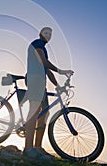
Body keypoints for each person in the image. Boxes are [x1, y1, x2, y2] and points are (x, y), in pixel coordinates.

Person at [23, 27, 74, 158]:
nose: (48, 35)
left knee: (44, 113)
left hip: (41, 81)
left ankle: (38, 147)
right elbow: (43, 61)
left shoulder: (44, 49)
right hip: (34, 79)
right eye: (46, 33)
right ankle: (28, 149)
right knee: (35, 109)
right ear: (40, 34)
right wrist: (61, 71)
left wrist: (58, 86)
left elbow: (47, 70)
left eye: (50, 34)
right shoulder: (38, 43)